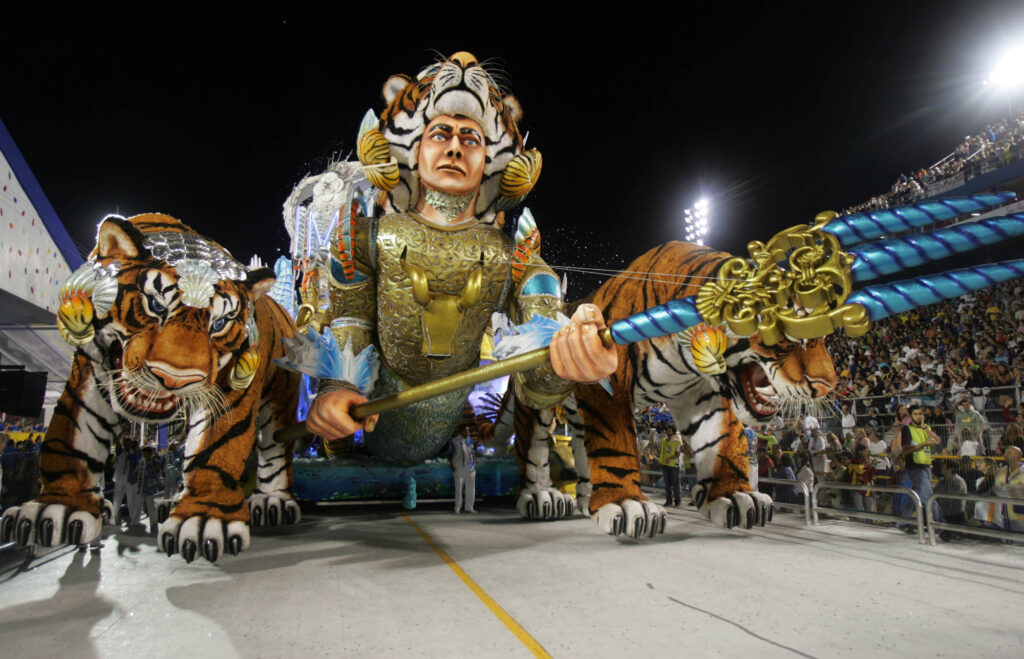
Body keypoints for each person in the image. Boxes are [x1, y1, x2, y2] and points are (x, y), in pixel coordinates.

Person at [303, 52, 617, 467]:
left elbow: (537, 383)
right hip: (372, 412)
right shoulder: (369, 237)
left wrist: (571, 357)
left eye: (470, 140)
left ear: (488, 159)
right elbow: (352, 321)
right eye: (440, 135)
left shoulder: (515, 258)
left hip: (449, 413)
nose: (454, 148)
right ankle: (336, 443)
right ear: (414, 150)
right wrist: (338, 387)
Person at [899, 405, 943, 528]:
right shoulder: (907, 429)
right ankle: (939, 524)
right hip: (915, 466)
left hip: (927, 466)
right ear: (910, 416)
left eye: (920, 414)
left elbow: (938, 440)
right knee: (929, 497)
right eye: (916, 414)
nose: (919, 416)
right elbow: (906, 450)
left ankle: (902, 521)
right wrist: (924, 444)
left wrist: (926, 429)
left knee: (916, 495)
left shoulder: (926, 428)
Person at [992, 445, 1024, 532]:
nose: (1006, 455)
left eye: (1009, 452)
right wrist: (1014, 489)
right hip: (1006, 514)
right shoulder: (1003, 470)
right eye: (1005, 452)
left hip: (1020, 515)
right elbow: (997, 489)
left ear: (1018, 455)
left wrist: (1005, 487)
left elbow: (1021, 494)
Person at [933, 460, 967, 539]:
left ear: (950, 469)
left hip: (955, 517)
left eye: (943, 467)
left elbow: (949, 500)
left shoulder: (957, 481)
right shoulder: (942, 481)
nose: (941, 468)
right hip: (945, 515)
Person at [449, 424, 477, 514]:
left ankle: (469, 507)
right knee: (459, 487)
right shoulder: (455, 441)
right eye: (466, 430)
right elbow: (449, 454)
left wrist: (474, 464)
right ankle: (457, 507)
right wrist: (452, 465)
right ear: (461, 431)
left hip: (470, 467)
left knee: (471, 487)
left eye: (468, 431)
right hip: (459, 466)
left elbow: (473, 452)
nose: (468, 432)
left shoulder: (470, 440)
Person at [848, 444, 877, 513]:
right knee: (859, 509)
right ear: (860, 451)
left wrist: (872, 465)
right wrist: (872, 464)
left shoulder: (866, 462)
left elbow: (871, 476)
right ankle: (860, 522)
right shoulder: (854, 462)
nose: (867, 453)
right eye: (865, 451)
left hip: (867, 488)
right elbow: (862, 473)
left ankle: (868, 523)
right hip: (856, 488)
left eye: (867, 451)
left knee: (868, 509)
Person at [658, 425, 682, 507]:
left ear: (673, 432)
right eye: (667, 430)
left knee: (675, 484)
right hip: (665, 465)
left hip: (673, 466)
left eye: (669, 430)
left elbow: (678, 454)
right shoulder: (664, 440)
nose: (667, 432)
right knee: (667, 484)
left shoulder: (677, 442)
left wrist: (670, 458)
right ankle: (668, 500)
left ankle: (677, 500)